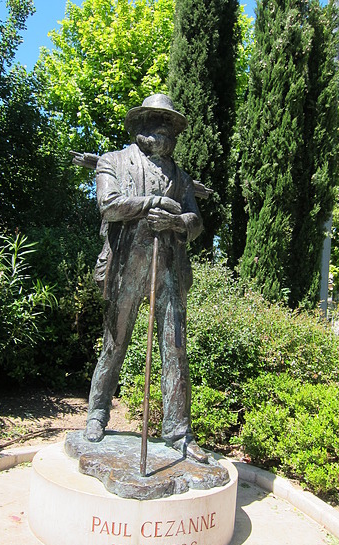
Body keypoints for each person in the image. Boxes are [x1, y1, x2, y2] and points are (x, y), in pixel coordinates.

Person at [85, 94, 207, 463]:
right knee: (115, 342)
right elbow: (110, 205)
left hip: (169, 268)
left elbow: (196, 221)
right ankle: (97, 413)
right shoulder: (114, 161)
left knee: (175, 348)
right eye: (158, 123)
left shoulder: (180, 176)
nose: (166, 132)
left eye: (171, 126)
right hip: (126, 265)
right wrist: (153, 204)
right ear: (141, 128)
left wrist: (176, 221)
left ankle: (178, 432)